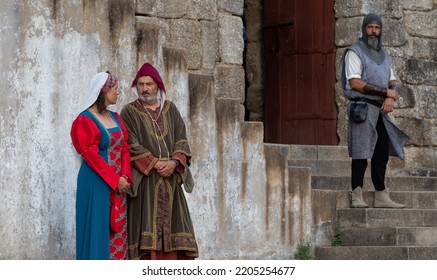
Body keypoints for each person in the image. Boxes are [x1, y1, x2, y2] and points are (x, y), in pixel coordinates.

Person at [120, 62, 198, 260]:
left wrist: (173, 163)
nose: (145, 88)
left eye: (149, 84)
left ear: (158, 86)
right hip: (147, 183)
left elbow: (182, 139)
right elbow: (131, 144)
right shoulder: (129, 111)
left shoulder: (171, 109)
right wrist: (155, 164)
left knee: (175, 230)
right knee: (146, 233)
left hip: (171, 181)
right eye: (141, 84)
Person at [340, 13, 410, 208]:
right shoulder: (355, 51)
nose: (373, 32)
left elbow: (392, 81)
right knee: (361, 152)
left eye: (377, 28)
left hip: (380, 110)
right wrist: (386, 91)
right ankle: (356, 194)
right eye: (370, 27)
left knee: (381, 152)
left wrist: (390, 96)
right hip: (362, 108)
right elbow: (354, 82)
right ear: (364, 29)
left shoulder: (385, 56)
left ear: (381, 30)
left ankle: (381, 195)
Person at [71, 71, 132, 259]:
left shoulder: (115, 117)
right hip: (96, 184)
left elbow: (124, 149)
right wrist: (115, 180)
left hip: (118, 184)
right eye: (115, 89)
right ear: (103, 91)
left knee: (118, 230)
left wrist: (125, 177)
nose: (118, 92)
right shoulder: (84, 120)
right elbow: (92, 157)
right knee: (97, 231)